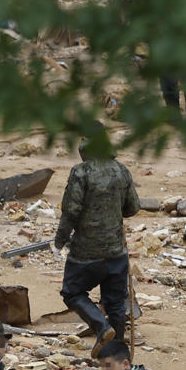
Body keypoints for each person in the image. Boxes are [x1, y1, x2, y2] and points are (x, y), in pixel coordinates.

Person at [55, 128, 140, 356]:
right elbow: (132, 208)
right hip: (115, 251)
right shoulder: (121, 171)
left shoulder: (81, 172)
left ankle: (102, 328)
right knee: (115, 303)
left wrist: (60, 240)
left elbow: (70, 211)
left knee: (72, 293)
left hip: (85, 252)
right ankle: (117, 355)